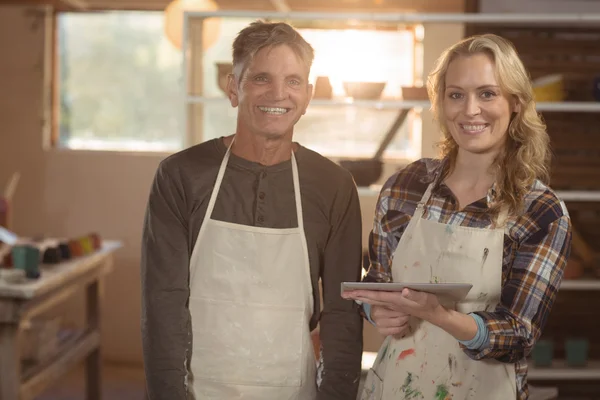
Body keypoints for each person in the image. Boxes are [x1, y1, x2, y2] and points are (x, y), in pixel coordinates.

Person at [141, 21, 364, 400]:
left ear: (308, 96)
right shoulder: (179, 176)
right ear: (233, 88)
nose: (279, 93)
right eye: (261, 78)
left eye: (293, 81)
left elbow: (343, 315)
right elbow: (163, 304)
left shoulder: (334, 186)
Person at [343, 33, 572, 400]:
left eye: (487, 93)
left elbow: (519, 335)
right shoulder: (407, 186)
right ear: (441, 102)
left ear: (515, 103)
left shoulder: (541, 211)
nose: (469, 110)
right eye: (456, 94)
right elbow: (380, 279)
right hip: (396, 386)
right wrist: (375, 310)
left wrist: (442, 316)